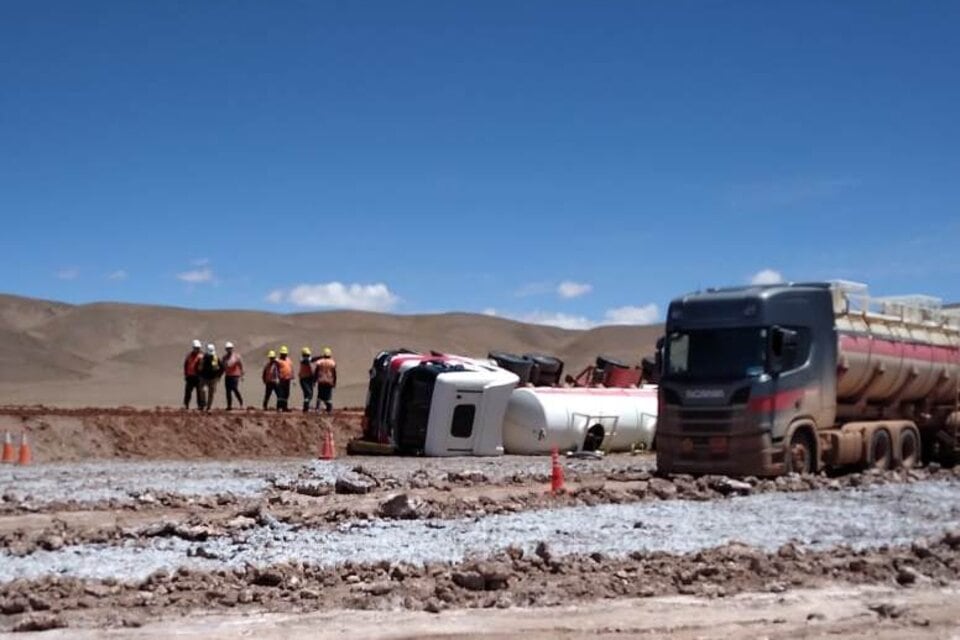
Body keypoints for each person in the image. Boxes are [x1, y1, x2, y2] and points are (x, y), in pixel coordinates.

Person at [314, 347, 337, 413]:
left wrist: (314, 380)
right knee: (328, 395)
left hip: (321, 380)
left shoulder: (320, 362)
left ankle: (318, 408)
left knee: (320, 395)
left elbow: (316, 371)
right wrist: (334, 382)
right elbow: (334, 373)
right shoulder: (332, 362)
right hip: (329, 381)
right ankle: (329, 409)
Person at [199, 343, 222, 411]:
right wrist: (200, 375)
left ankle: (209, 407)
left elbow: (222, 367)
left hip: (213, 379)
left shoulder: (215, 358)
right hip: (204, 378)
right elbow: (199, 368)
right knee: (202, 391)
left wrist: (218, 376)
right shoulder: (203, 358)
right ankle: (203, 404)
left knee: (211, 393)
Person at [182, 339, 204, 410]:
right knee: (188, 391)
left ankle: (200, 405)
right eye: (195, 348)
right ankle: (186, 404)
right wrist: (185, 374)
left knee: (199, 392)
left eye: (198, 348)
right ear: (193, 348)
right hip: (190, 376)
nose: (197, 349)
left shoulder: (202, 356)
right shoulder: (189, 355)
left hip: (199, 377)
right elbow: (185, 365)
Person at [222, 341, 244, 410]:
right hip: (227, 376)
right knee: (228, 391)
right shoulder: (224, 357)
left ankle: (241, 403)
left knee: (235, 389)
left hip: (235, 375)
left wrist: (242, 375)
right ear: (226, 349)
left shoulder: (237, 356)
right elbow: (223, 367)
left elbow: (241, 365)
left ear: (232, 348)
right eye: (228, 348)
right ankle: (229, 405)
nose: (229, 350)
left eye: (230, 348)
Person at [276, 345, 294, 412]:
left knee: (286, 393)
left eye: (285, 353)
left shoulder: (288, 360)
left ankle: (285, 407)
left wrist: (292, 376)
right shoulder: (278, 361)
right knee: (281, 393)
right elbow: (276, 370)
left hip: (288, 379)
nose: (284, 354)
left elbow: (291, 368)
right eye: (283, 353)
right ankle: (279, 407)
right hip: (281, 379)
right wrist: (277, 378)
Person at [298, 347, 316, 413]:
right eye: (306, 355)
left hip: (309, 379)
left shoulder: (307, 360)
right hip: (304, 379)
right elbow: (311, 360)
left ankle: (306, 407)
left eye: (308, 355)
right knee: (309, 393)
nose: (307, 356)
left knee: (308, 394)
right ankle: (305, 407)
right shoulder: (303, 360)